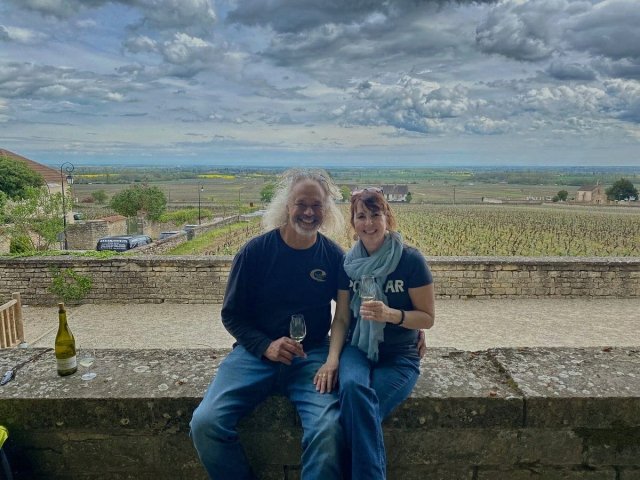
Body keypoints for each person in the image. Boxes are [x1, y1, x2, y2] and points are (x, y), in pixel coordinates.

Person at [190, 169, 348, 480]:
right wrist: (266, 346)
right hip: (253, 356)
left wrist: (409, 331)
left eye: (316, 205)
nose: (308, 212)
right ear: (286, 206)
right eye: (301, 203)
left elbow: (350, 312)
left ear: (326, 210)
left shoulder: (333, 257)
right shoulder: (255, 252)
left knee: (329, 430)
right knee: (205, 424)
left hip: (311, 357)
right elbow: (231, 314)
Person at [314, 187, 435, 480]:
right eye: (361, 216)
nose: (369, 223)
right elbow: (342, 317)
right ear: (353, 223)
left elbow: (428, 318)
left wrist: (392, 315)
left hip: (399, 355)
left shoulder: (410, 261)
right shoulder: (349, 265)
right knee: (354, 391)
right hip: (357, 349)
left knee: (355, 414)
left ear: (387, 217)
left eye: (375, 214)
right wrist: (332, 359)